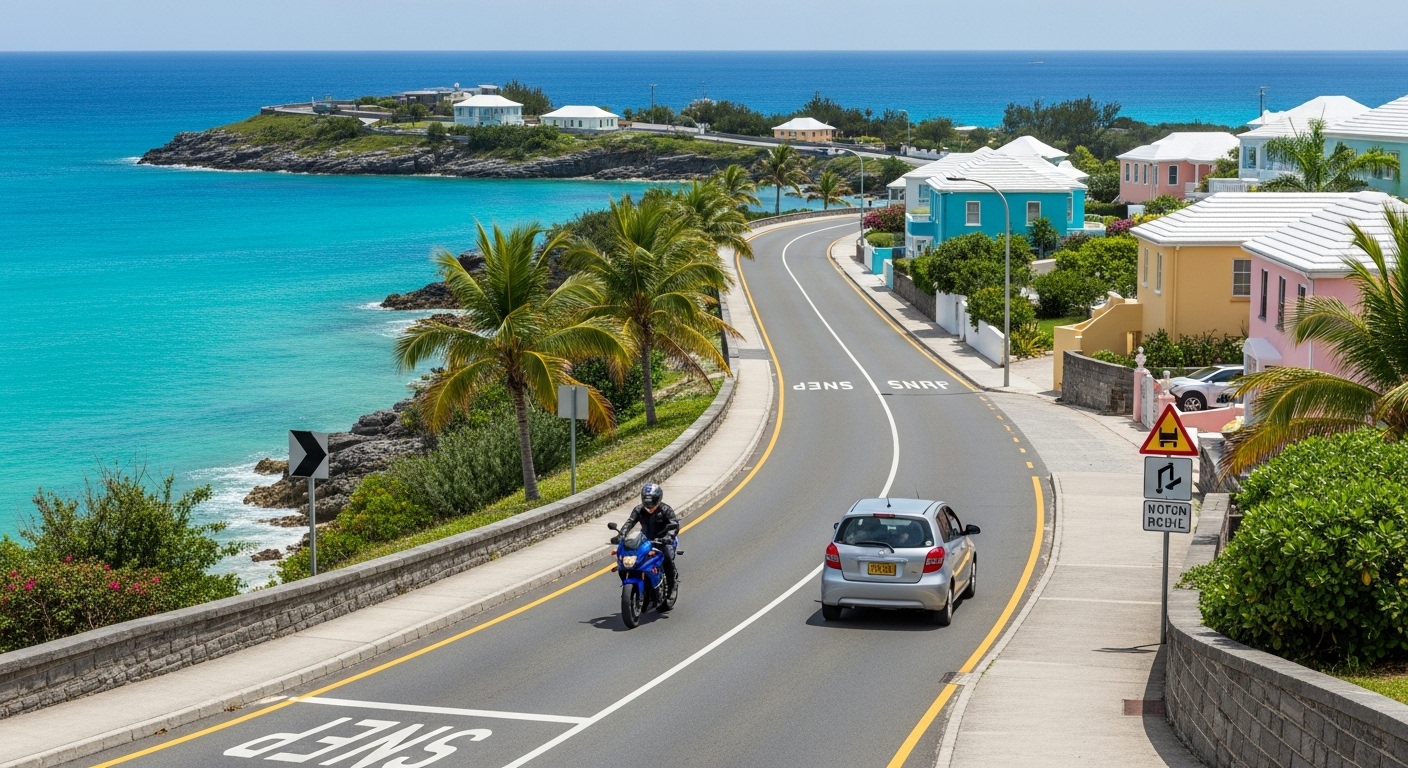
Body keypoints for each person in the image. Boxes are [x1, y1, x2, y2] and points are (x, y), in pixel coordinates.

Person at [620, 483, 680, 586]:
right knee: (631, 559)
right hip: (645, 541)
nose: (650, 505)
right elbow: (630, 522)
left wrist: (668, 537)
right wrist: (621, 534)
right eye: (647, 500)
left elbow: (674, 525)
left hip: (663, 541)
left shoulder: (666, 510)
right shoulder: (639, 510)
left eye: (653, 500)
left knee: (667, 558)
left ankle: (672, 585)